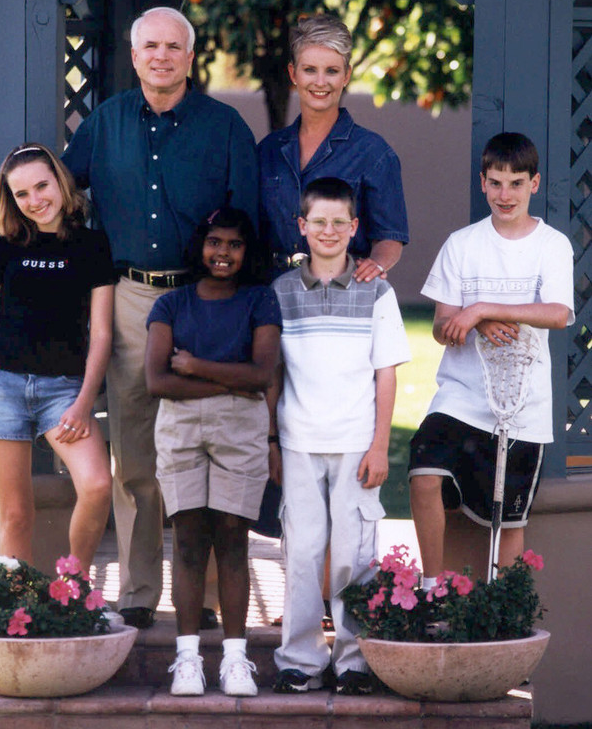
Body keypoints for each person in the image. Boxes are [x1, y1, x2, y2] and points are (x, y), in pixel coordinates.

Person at [0, 7, 258, 629]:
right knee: (134, 453)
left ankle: (206, 598)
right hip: (128, 297)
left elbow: (249, 223)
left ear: (190, 53)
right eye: (149, 45)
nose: (161, 56)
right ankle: (137, 590)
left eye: (173, 46)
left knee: (208, 445)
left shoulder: (226, 127)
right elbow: (51, 197)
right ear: (134, 55)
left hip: (206, 299)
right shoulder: (106, 123)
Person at [408, 132, 574, 588]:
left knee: (510, 519)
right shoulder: (462, 244)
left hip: (524, 405)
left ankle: (501, 611)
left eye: (516, 183)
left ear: (534, 184)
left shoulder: (552, 244)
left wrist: (483, 308)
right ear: (482, 183)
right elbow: (443, 326)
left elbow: (558, 313)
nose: (505, 195)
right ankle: (431, 589)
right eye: (496, 183)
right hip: (461, 397)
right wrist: (470, 322)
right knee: (423, 471)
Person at [268, 177, 410, 695]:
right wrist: (272, 443)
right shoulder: (281, 292)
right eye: (317, 222)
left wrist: (379, 446)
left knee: (355, 555)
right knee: (303, 552)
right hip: (299, 442)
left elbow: (386, 374)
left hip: (355, 443)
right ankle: (300, 660)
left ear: (354, 228)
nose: (328, 231)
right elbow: (274, 375)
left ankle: (354, 660)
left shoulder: (377, 290)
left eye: (338, 223)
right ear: (301, 227)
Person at [0, 143, 115, 575]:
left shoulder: (92, 245)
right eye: (22, 194)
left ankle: (73, 585)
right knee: (16, 516)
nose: (35, 200)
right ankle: (17, 615)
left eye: (42, 186)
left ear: (61, 183)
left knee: (99, 485)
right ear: (11, 199)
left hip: (62, 390)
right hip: (0, 386)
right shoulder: (1, 248)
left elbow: (101, 334)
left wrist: (84, 403)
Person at [145, 207, 281, 697]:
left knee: (231, 540)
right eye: (215, 242)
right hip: (180, 427)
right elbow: (157, 380)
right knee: (187, 541)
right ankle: (187, 660)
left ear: (248, 252)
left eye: (235, 245)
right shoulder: (171, 304)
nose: (223, 253)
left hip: (241, 430)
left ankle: (235, 660)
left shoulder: (259, 301)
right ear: (200, 245)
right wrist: (228, 381)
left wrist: (195, 366)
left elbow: (262, 375)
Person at [258, 13, 408, 283]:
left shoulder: (374, 153)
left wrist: (375, 265)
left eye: (332, 71)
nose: (320, 82)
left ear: (346, 75)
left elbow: (389, 237)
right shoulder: (268, 150)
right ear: (293, 73)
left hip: (341, 291)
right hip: (273, 295)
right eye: (310, 70)